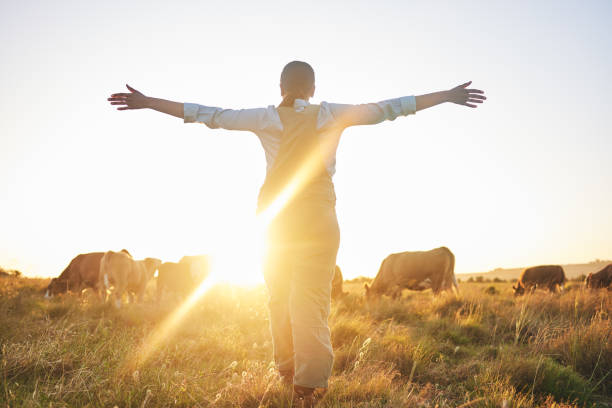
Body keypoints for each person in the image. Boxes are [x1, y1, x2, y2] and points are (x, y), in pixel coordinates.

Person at [108, 61, 486, 407]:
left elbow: (207, 115)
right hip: (319, 219)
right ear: (313, 87)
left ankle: (287, 370)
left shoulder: (266, 117)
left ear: (281, 86)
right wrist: (447, 96)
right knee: (312, 302)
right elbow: (391, 107)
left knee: (278, 299)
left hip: (274, 221)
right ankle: (309, 388)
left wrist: (147, 101)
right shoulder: (331, 114)